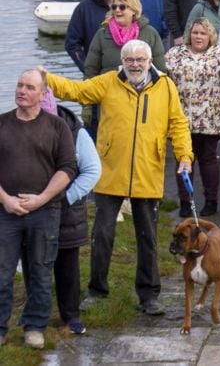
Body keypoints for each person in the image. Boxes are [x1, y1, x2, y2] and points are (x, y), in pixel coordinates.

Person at [44, 40, 193, 316]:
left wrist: (185, 156)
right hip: (110, 171)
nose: (135, 64)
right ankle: (97, 291)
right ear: (122, 61)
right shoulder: (108, 81)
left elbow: (178, 123)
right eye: (130, 59)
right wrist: (45, 79)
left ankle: (149, 295)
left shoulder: (166, 86)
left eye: (140, 59)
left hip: (148, 172)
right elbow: (77, 91)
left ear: (150, 61)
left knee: (148, 238)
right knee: (101, 235)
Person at [0, 70, 77, 349]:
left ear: (43, 94)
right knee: (2, 271)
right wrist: (6, 199)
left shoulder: (58, 127)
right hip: (5, 211)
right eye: (19, 85)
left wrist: (42, 198)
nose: (21, 90)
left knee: (41, 271)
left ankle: (34, 326)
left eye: (29, 87)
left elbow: (68, 169)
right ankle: (0, 328)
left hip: (45, 212)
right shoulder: (2, 123)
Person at [27, 93, 100, 337]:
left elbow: (92, 171)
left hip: (64, 210)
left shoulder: (76, 132)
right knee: (33, 261)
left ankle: (71, 316)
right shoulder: (20, 126)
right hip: (29, 208)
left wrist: (66, 198)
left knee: (67, 263)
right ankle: (35, 316)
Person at [165, 18, 220, 216]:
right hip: (181, 119)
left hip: (210, 119)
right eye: (195, 33)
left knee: (208, 160)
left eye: (203, 33)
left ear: (210, 36)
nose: (198, 36)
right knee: (183, 161)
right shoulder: (175, 53)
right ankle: (185, 202)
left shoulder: (219, 55)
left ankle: (211, 201)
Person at [85, 0, 166, 77]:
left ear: (134, 10)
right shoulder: (102, 34)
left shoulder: (150, 33)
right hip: (109, 87)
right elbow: (90, 69)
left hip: (141, 87)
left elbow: (159, 68)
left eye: (122, 7)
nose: (117, 10)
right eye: (114, 7)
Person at [67, 0, 122, 73]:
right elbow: (72, 44)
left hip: (126, 75)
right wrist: (87, 69)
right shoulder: (83, 9)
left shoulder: (130, 7)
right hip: (95, 76)